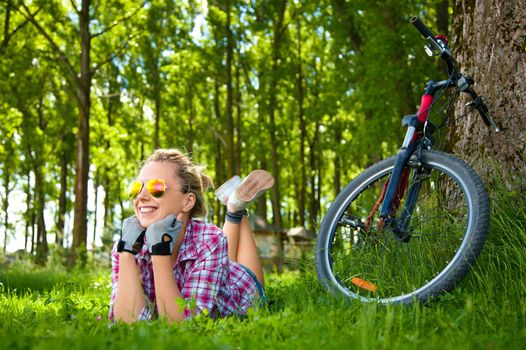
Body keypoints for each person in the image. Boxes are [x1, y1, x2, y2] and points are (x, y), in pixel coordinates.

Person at [108, 148, 274, 323]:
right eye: (136, 187)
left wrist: (160, 252)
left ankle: (236, 208)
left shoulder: (210, 240)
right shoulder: (127, 244)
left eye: (156, 187)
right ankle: (234, 204)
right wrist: (126, 253)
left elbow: (185, 326)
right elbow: (125, 323)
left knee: (241, 272)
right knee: (223, 256)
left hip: (238, 284)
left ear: (187, 201)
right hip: (214, 265)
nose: (140, 196)